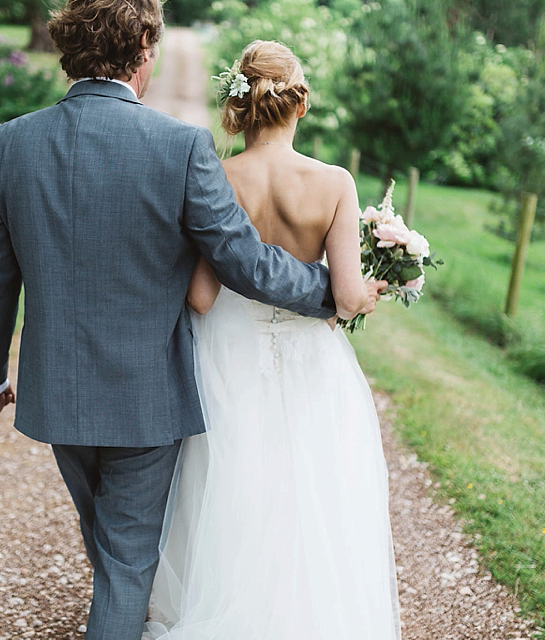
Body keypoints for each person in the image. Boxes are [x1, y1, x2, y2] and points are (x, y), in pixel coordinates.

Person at [0, 0, 385, 638]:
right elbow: (243, 261)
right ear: (142, 50)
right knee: (128, 560)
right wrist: (334, 292)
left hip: (59, 396)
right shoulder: (180, 146)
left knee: (110, 548)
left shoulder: (7, 145)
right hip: (146, 399)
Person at [144, 40, 402, 640]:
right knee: (313, 489)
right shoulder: (334, 182)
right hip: (313, 358)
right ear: (300, 104)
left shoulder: (219, 177)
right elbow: (342, 298)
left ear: (239, 106)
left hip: (228, 354)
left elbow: (201, 297)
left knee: (230, 490)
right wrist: (374, 288)